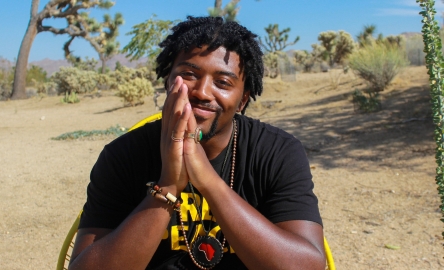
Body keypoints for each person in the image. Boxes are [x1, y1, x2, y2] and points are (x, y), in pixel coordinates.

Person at [69, 16, 325, 270]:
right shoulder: (123, 155)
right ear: (168, 82)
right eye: (189, 75)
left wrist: (209, 182)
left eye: (223, 83)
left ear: (243, 100)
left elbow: (307, 266)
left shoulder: (277, 152)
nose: (202, 92)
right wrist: (168, 185)